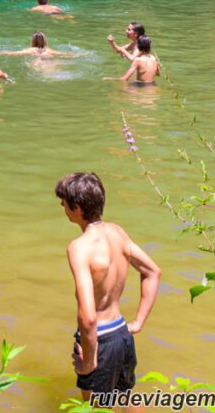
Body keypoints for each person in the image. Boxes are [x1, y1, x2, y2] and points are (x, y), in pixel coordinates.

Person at [55, 172, 161, 403]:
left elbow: (88, 316)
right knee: (127, 398)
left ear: (77, 208)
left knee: (93, 406)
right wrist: (138, 323)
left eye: (64, 203)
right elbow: (153, 272)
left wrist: (89, 361)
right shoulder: (117, 232)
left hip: (99, 339)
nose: (62, 206)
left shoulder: (79, 248)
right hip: (122, 333)